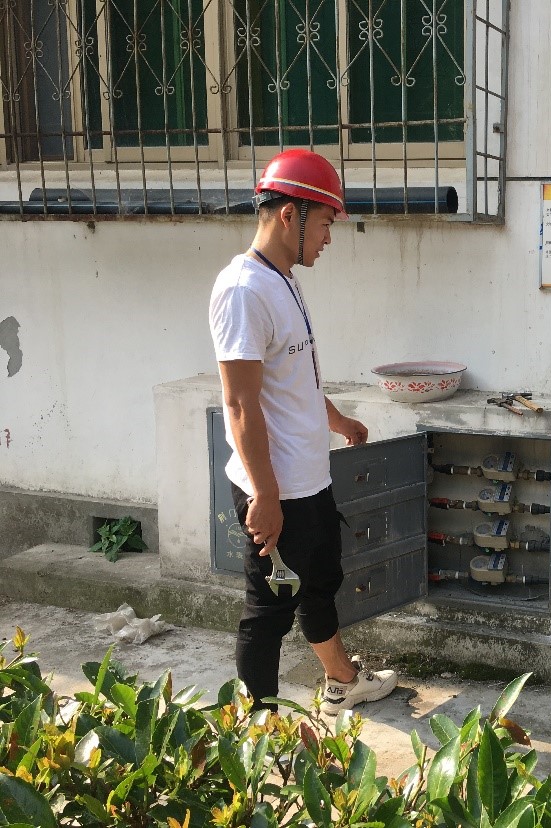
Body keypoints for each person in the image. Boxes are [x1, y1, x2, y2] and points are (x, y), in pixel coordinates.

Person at [209, 148, 397, 715]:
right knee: (269, 609)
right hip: (277, 488)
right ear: (291, 214)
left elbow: (292, 380)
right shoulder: (242, 290)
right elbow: (240, 403)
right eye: (326, 224)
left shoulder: (282, 280)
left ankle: (341, 680)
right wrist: (265, 496)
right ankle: (256, 729)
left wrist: (336, 420)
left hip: (307, 477)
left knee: (319, 584)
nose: (329, 237)